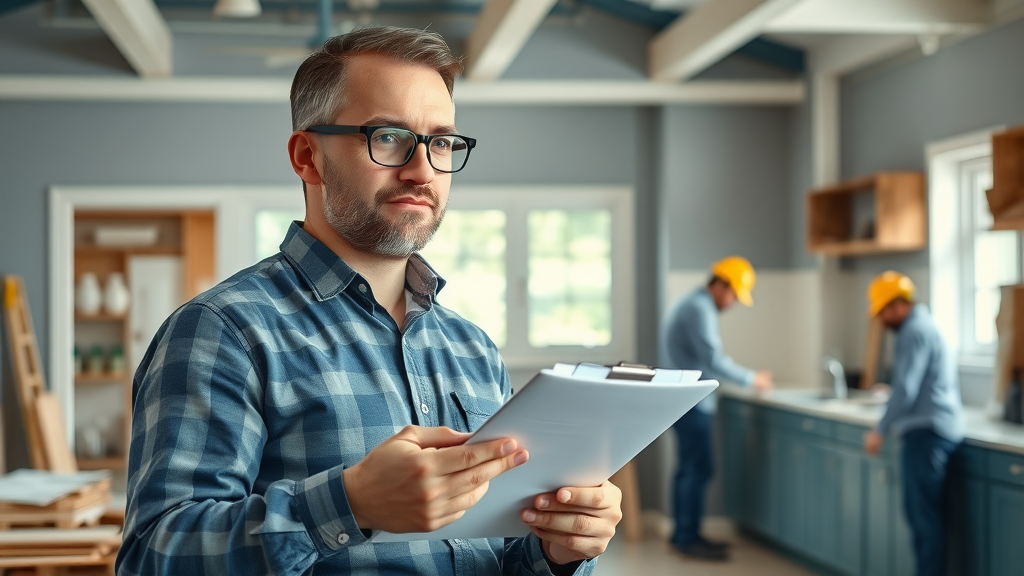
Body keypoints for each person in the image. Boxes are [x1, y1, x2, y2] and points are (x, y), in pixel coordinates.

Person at [115, 26, 621, 576]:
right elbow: (151, 557)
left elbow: (500, 558)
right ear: (308, 156)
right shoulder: (223, 332)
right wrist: (350, 504)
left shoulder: (472, 349)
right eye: (387, 137)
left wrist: (559, 549)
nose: (423, 169)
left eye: (442, 142)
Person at [660, 256, 772, 561]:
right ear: (721, 285)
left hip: (684, 399)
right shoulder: (699, 308)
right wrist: (753, 378)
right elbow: (714, 359)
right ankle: (687, 537)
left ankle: (684, 535)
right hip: (692, 402)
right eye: (734, 294)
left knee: (690, 468)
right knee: (697, 469)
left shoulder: (694, 304)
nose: (734, 302)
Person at [862, 271, 962, 576]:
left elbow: (906, 388)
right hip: (936, 431)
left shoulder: (913, 331)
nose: (881, 321)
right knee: (926, 519)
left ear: (897, 306)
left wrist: (880, 429)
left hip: (926, 436)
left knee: (923, 521)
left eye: (882, 313)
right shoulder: (924, 326)